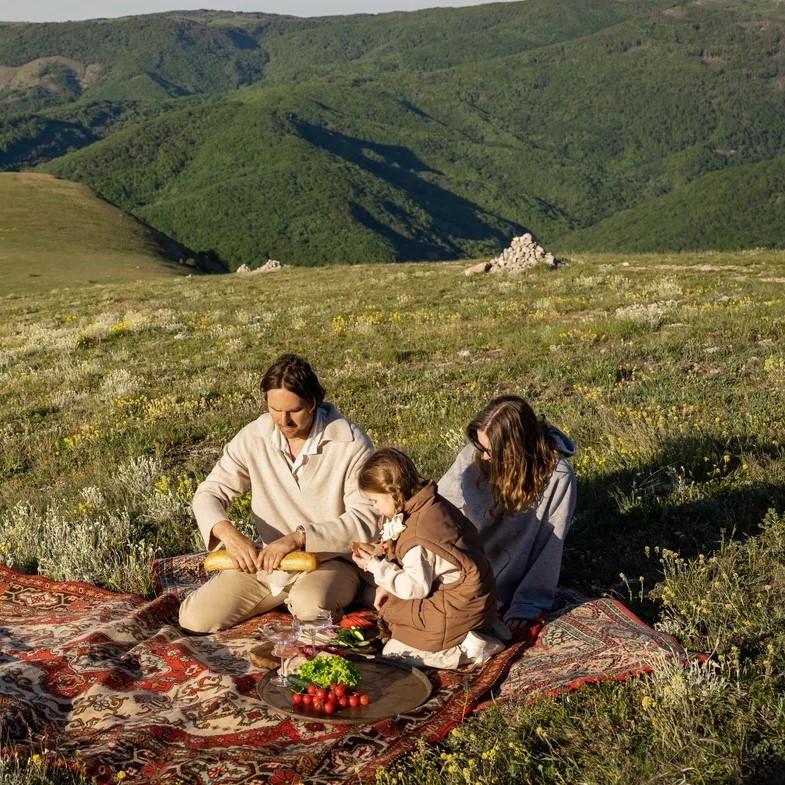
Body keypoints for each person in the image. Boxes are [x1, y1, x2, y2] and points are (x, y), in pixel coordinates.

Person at [178, 353, 377, 633]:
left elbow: (366, 519)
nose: (284, 421)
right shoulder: (253, 437)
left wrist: (298, 538)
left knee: (311, 609)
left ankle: (336, 595)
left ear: (314, 403)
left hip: (332, 560)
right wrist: (229, 535)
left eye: (294, 411)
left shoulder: (350, 442)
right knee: (195, 618)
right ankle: (285, 598)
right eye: (274, 409)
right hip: (269, 562)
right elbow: (209, 493)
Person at [438, 395, 576, 641]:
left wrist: (528, 603)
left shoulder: (558, 477)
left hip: (507, 573)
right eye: (481, 448)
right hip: (463, 562)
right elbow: (440, 506)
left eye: (492, 451)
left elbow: (549, 546)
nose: (484, 458)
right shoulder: (474, 455)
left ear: (516, 449)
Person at [352, 447, 503, 669]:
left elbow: (415, 588)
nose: (374, 507)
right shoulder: (431, 504)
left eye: (374, 501)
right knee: (394, 612)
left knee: (394, 653)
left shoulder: (418, 536)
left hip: (457, 606)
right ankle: (481, 626)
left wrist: (376, 567)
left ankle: (468, 649)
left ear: (392, 493)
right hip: (471, 595)